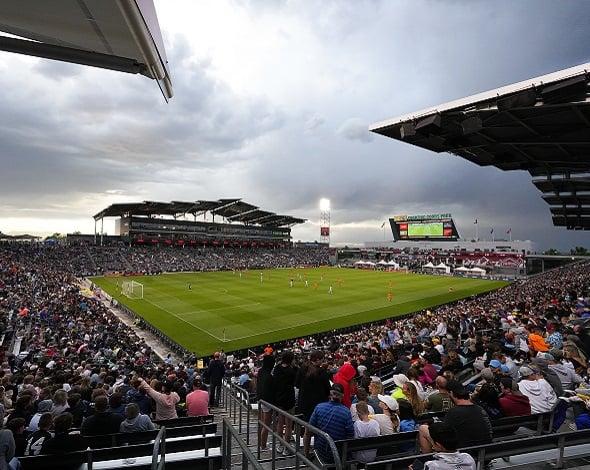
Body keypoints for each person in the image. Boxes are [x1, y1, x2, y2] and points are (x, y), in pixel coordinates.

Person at [419, 381, 492, 453]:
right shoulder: (480, 409)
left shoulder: (454, 412)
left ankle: (426, 459)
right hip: (487, 450)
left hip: (466, 453)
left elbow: (444, 435)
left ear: (451, 393)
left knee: (423, 428)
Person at [306, 384, 354, 463]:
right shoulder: (346, 412)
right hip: (339, 454)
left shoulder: (319, 407)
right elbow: (350, 435)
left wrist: (306, 454)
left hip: (321, 451)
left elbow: (308, 431)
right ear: (342, 396)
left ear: (330, 394)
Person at [295, 350, 331, 422]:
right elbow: (328, 389)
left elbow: (297, 384)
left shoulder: (302, 369)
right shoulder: (322, 372)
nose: (323, 362)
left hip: (304, 402)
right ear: (317, 360)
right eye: (322, 359)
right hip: (317, 404)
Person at [273, 350, 297, 456]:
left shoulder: (277, 368)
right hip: (288, 398)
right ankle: (285, 447)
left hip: (279, 397)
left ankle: (280, 445)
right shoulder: (292, 370)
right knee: (288, 424)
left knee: (280, 422)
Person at [256, 354, 275, 451]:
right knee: (266, 424)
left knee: (263, 423)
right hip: (266, 402)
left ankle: (261, 443)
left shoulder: (261, 371)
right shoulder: (269, 376)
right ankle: (263, 445)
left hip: (261, 400)